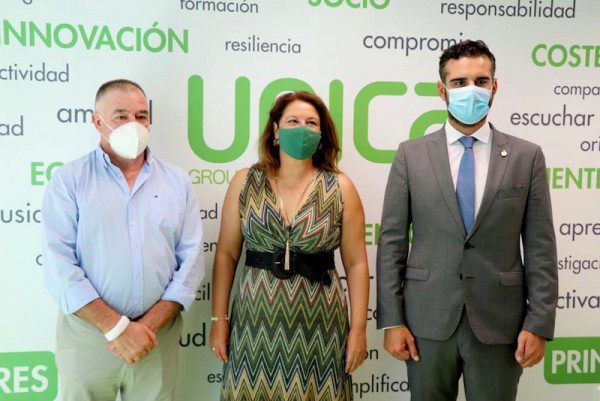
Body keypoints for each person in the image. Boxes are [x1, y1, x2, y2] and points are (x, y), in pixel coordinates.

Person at [377, 40, 558, 401]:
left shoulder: (526, 157)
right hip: (426, 321)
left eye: (481, 80)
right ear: (441, 90)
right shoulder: (410, 155)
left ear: (494, 86)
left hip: (500, 324)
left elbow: (540, 248)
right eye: (459, 82)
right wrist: (392, 320)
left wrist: (539, 323)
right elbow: (392, 243)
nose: (471, 90)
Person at [41, 79, 205, 401]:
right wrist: (118, 328)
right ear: (97, 122)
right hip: (89, 339)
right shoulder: (69, 180)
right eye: (121, 116)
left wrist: (145, 330)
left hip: (155, 340)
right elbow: (60, 266)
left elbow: (191, 263)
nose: (134, 124)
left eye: (141, 116)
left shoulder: (177, 182)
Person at [209, 91, 369, 401]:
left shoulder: (341, 187)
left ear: (321, 136)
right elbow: (227, 254)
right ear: (276, 131)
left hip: (320, 324)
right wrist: (219, 320)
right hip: (254, 321)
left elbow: (356, 264)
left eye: (311, 123)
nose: (302, 128)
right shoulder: (245, 181)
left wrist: (358, 329)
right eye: (293, 121)